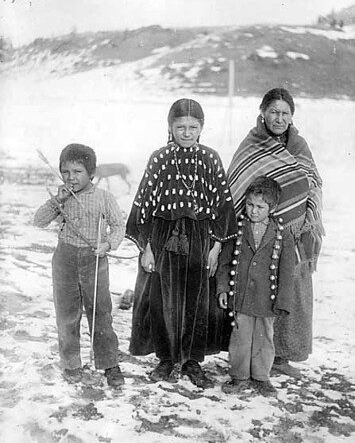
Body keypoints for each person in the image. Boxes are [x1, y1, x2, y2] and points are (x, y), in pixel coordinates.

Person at [125, 98, 237, 389]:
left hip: (200, 237)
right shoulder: (159, 158)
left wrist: (215, 246)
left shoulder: (211, 158)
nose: (186, 133)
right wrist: (146, 246)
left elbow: (222, 205)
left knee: (198, 301)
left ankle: (192, 361)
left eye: (193, 127)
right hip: (164, 236)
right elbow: (145, 204)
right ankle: (165, 358)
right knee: (163, 299)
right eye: (180, 127)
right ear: (170, 127)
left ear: (201, 128)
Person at [227, 88, 324, 378]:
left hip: (296, 231)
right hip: (259, 233)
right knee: (258, 291)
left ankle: (283, 356)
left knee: (292, 290)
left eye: (285, 113)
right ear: (263, 112)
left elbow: (314, 181)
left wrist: (310, 214)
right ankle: (254, 358)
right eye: (274, 112)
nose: (279, 118)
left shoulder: (299, 145)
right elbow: (238, 183)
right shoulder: (252, 144)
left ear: (291, 117)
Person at [34, 144, 125, 388]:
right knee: (67, 314)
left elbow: (118, 226)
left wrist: (108, 244)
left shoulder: (104, 198)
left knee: (101, 313)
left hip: (94, 260)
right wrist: (57, 201)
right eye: (65, 172)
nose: (71, 178)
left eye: (78, 171)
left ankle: (109, 363)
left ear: (91, 173)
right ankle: (71, 362)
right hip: (64, 259)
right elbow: (38, 221)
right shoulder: (61, 197)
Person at [217, 176, 295, 397]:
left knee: (264, 337)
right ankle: (239, 376)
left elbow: (287, 271)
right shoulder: (237, 228)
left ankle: (261, 377)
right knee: (240, 337)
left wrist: (283, 301)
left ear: (273, 207)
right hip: (240, 296)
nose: (253, 211)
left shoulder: (282, 233)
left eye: (260, 207)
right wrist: (223, 288)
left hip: (266, 299)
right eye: (250, 205)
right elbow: (224, 260)